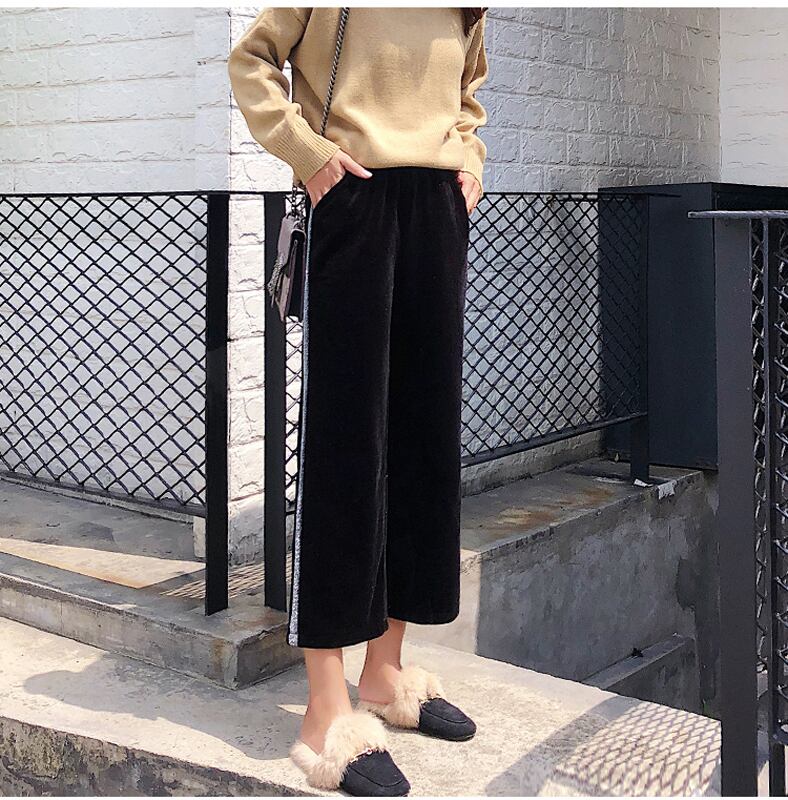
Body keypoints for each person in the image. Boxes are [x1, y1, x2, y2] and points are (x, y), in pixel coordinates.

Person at [228, 7, 489, 796]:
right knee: (347, 446)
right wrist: (308, 155)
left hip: (438, 205)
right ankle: (325, 711)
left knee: (421, 439)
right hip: (355, 198)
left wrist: (469, 157)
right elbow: (252, 61)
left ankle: (384, 672)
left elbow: (468, 88)